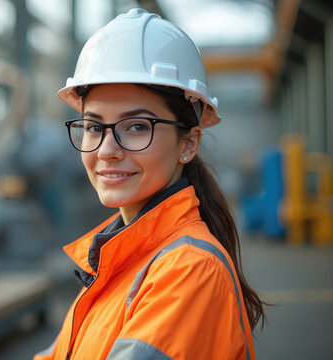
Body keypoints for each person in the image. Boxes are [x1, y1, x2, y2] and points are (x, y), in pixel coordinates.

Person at [34, 8, 265, 360]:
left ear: (188, 143)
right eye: (94, 127)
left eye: (137, 126)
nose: (107, 151)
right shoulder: (116, 260)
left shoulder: (188, 272)